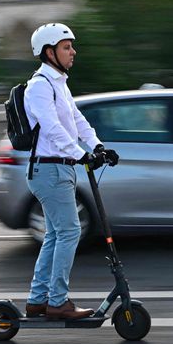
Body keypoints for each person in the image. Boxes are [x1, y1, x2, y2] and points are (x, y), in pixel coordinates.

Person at [23, 22, 117, 321]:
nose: (73, 51)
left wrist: (98, 146)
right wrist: (82, 155)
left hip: (60, 170)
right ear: (49, 52)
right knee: (70, 231)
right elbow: (52, 129)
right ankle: (58, 302)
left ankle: (38, 300)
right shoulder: (39, 86)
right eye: (67, 47)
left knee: (55, 235)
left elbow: (76, 121)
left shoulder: (59, 83)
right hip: (49, 171)